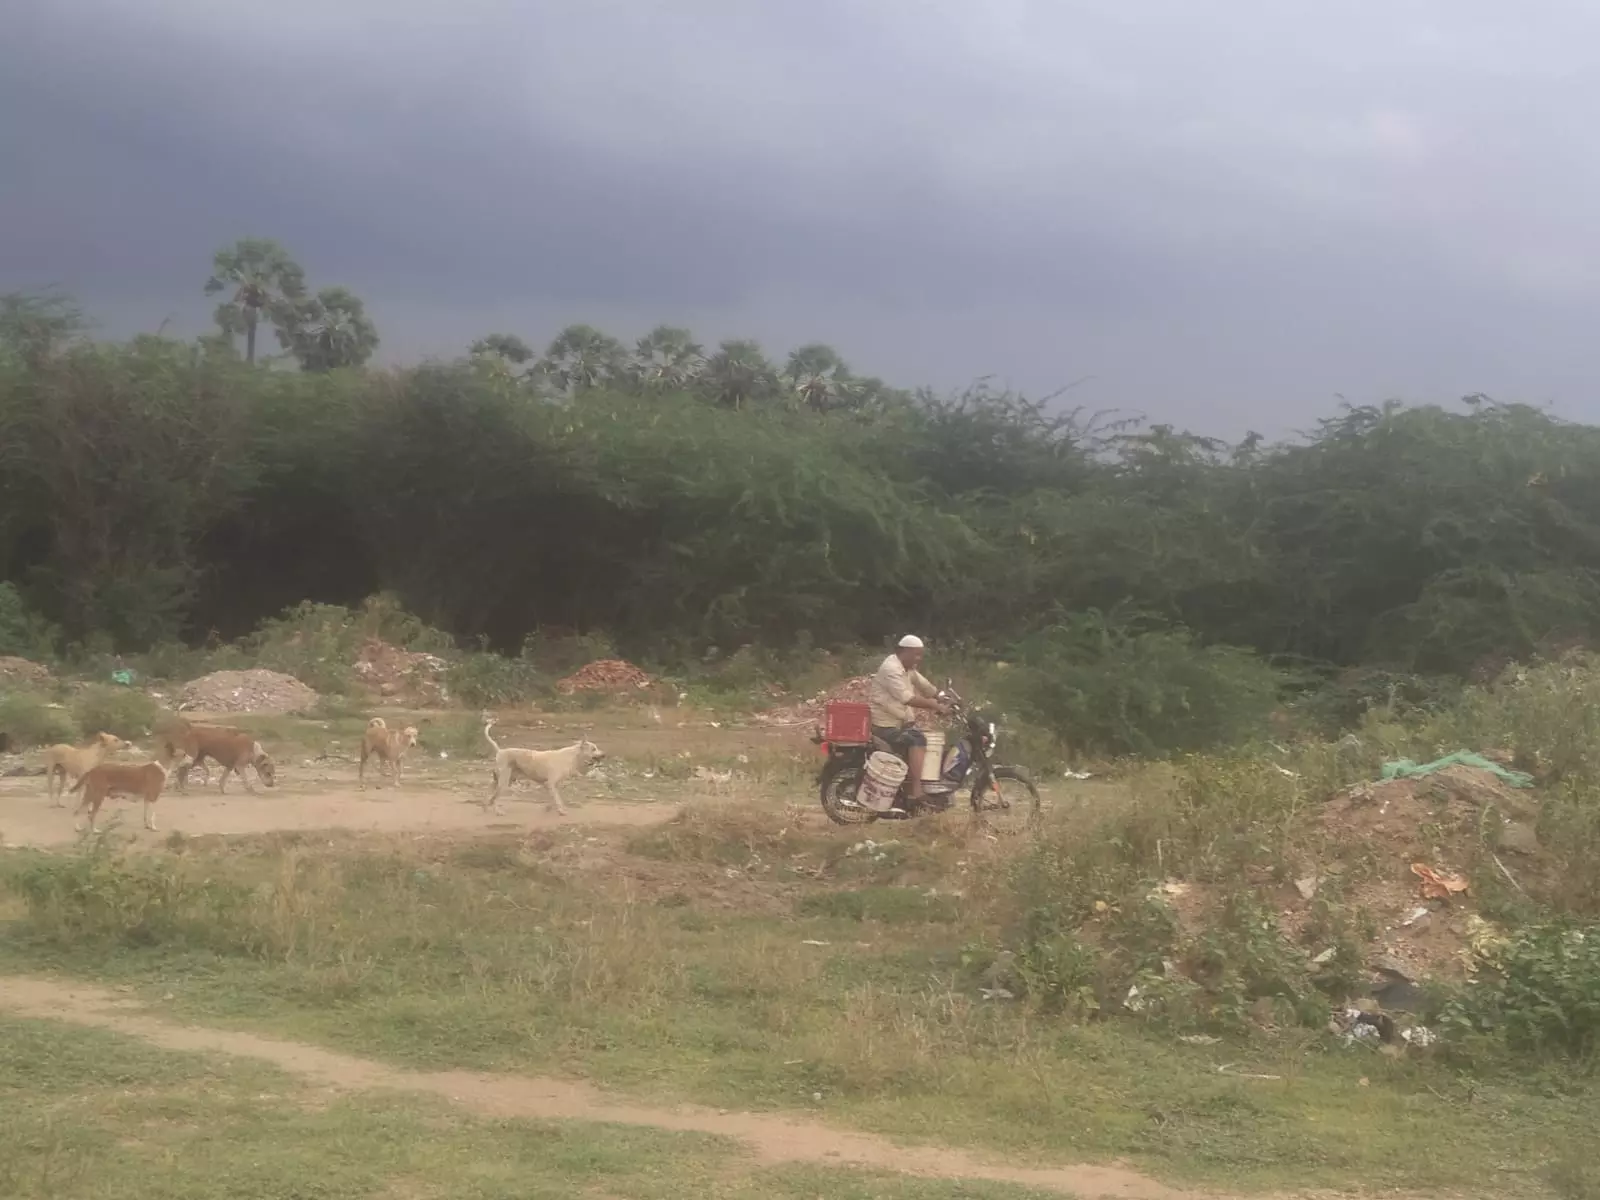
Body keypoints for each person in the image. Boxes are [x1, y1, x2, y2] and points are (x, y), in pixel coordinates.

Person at [868, 634, 948, 810]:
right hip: (885, 726)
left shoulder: (907, 668)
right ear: (904, 652)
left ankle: (926, 784)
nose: (918, 659)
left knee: (930, 737)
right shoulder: (891, 669)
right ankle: (916, 791)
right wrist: (934, 705)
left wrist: (943, 697)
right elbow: (906, 697)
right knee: (917, 740)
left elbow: (925, 686)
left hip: (900, 722)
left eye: (920, 655)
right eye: (916, 654)